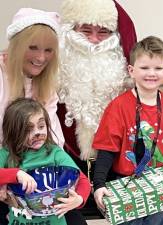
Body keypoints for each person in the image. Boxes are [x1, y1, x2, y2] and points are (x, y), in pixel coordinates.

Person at [0, 7, 88, 225]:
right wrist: (7, 178)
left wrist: (74, 193)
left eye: (49, 50)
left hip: (41, 179)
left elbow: (54, 140)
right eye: (33, 48)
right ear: (17, 46)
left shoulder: (46, 84)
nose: (41, 57)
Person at [92, 36, 163, 225]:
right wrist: (99, 184)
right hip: (128, 183)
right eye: (144, 67)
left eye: (158, 68)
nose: (151, 73)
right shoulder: (118, 107)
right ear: (131, 70)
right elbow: (106, 150)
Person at [57, 0, 137, 166]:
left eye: (103, 32)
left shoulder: (127, 76)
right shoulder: (55, 70)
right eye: (86, 30)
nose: (94, 40)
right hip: (65, 159)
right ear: (70, 29)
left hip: (117, 161)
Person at [0, 97, 91, 225]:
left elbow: (81, 179)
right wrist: (16, 174)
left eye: (41, 126)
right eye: (28, 129)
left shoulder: (55, 153)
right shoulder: (6, 153)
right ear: (14, 131)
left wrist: (79, 199)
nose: (37, 132)